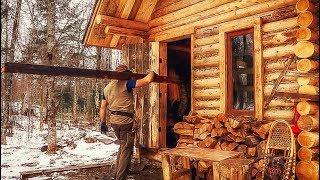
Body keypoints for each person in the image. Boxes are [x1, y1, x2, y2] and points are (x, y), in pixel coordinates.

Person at [99, 64, 155, 180]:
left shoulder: (107, 88)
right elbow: (148, 79)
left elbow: (103, 107)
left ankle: (117, 174)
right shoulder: (127, 83)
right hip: (125, 122)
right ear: (125, 75)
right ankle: (120, 177)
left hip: (114, 122)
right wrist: (152, 72)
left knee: (122, 146)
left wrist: (102, 123)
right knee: (126, 150)